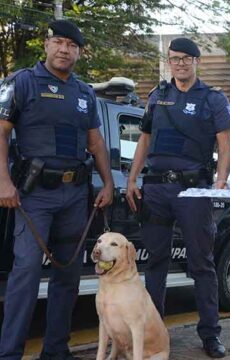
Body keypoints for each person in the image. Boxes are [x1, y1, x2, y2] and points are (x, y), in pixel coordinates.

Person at [0, 20, 114, 360]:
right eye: (59, 42)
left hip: (75, 195)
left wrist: (108, 182)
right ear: (47, 45)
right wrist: (3, 181)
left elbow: (96, 142)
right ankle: (9, 353)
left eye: (72, 45)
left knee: (68, 273)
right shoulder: (22, 82)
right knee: (27, 272)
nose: (65, 50)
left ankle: (56, 350)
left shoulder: (84, 93)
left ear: (79, 52)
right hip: (34, 195)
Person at [126, 37, 230, 358]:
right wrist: (132, 178)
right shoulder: (157, 96)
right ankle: (153, 333)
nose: (180, 64)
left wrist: (222, 180)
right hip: (156, 190)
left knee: (202, 263)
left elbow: (225, 146)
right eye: (175, 59)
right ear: (168, 61)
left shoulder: (213, 99)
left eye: (186, 59)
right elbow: (144, 141)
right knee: (155, 262)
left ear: (196, 61)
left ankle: (210, 335)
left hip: (193, 190)